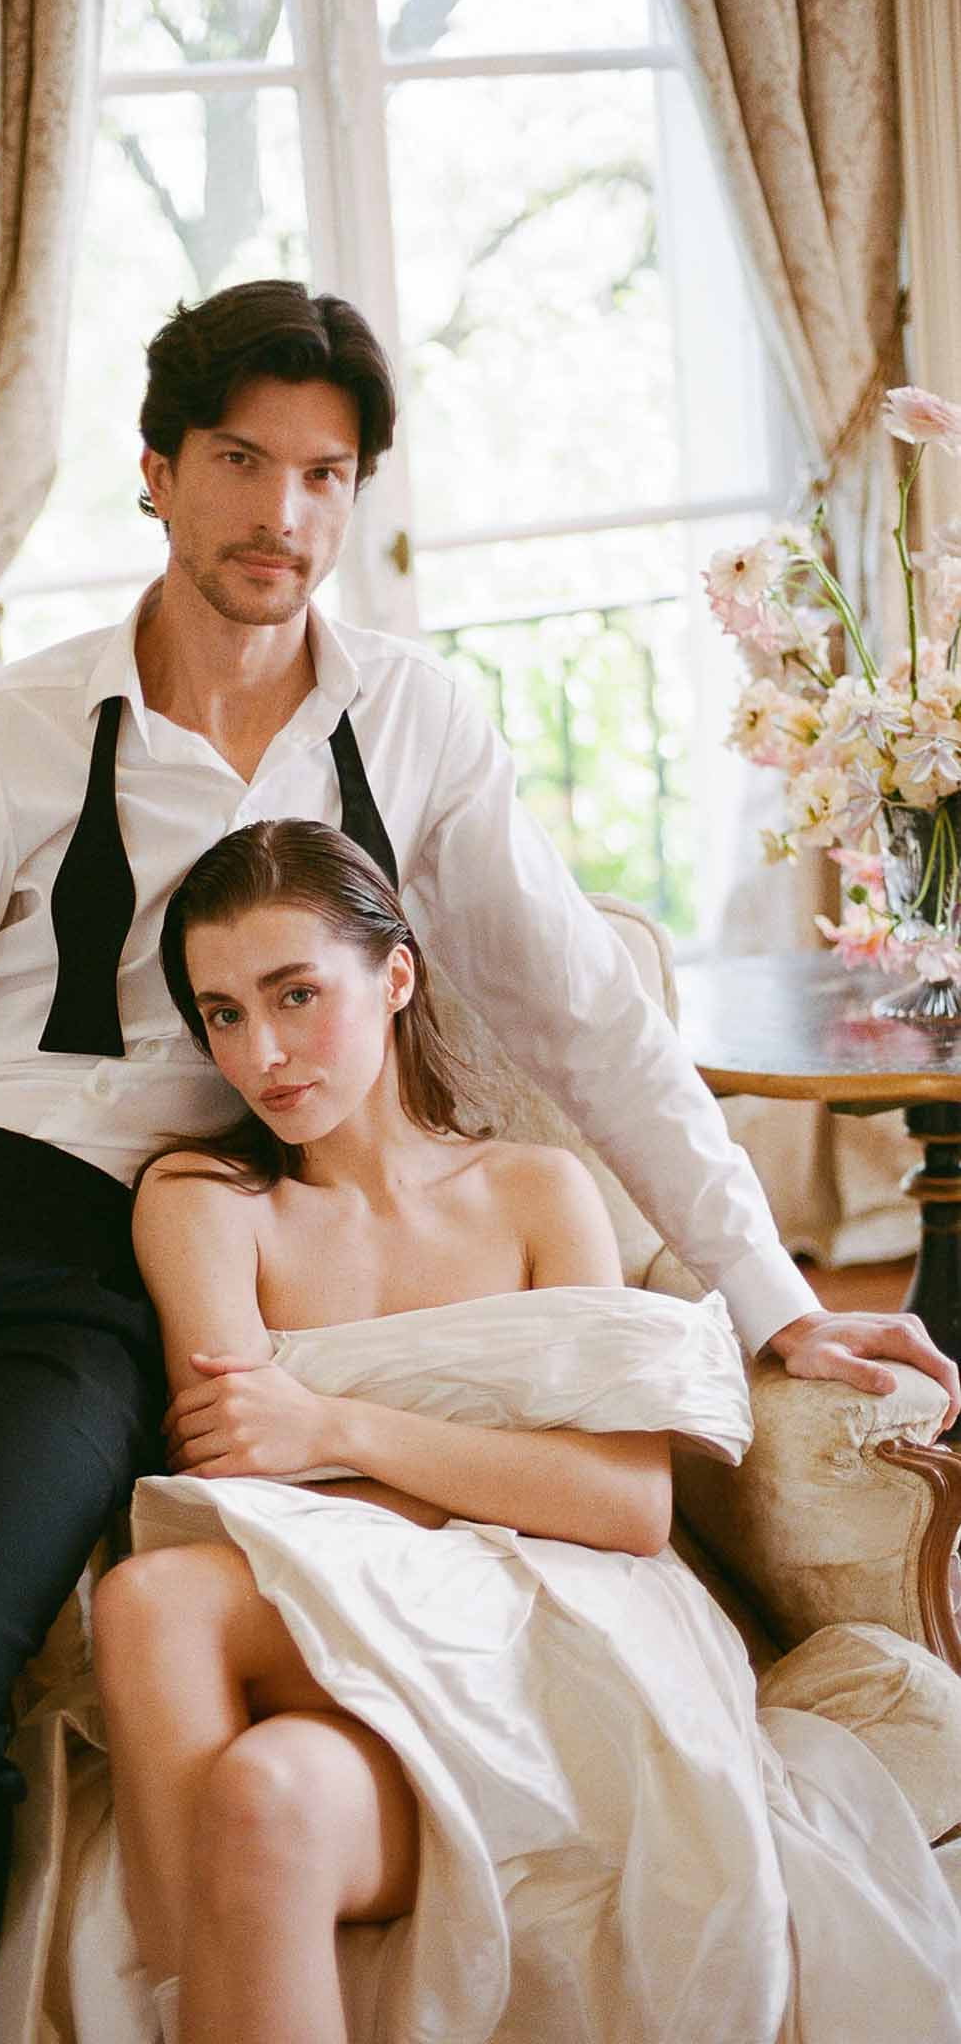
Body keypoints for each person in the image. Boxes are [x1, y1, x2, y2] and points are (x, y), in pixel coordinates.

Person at [0, 279, 953, 2042]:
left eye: (326, 474)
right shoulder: (7, 728)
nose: (282, 514)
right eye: (241, 459)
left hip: (95, 1266)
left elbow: (585, 1030)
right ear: (156, 473)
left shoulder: (414, 723)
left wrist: (775, 1304)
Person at [79, 816, 961, 2044]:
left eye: (295, 993)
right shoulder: (207, 1204)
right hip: (335, 1618)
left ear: (394, 976)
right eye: (221, 1013)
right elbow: (242, 1482)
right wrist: (495, 1475)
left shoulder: (534, 1190)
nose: (263, 1052)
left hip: (567, 1633)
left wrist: (339, 1423)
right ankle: (183, 2000)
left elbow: (622, 1509)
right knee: (252, 1769)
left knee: (159, 1604)